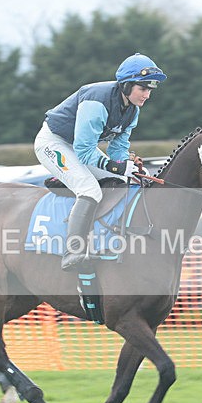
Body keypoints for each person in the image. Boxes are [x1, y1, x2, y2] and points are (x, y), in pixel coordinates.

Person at [34, 53, 167, 271]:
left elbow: (117, 149)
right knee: (89, 189)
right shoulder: (97, 101)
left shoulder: (132, 110)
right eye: (143, 88)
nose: (147, 95)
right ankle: (72, 252)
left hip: (77, 146)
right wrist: (117, 166)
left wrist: (127, 167)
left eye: (150, 89)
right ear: (126, 85)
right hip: (54, 142)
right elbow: (84, 151)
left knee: (121, 180)